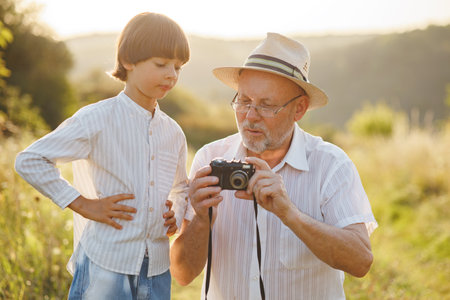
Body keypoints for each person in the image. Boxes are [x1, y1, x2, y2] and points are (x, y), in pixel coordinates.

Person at [170, 32, 378, 299]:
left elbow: (361, 261)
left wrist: (289, 214)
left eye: (267, 106)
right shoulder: (210, 158)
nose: (250, 116)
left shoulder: (331, 165)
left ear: (299, 109)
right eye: (243, 101)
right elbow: (182, 274)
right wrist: (200, 220)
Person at [15, 12, 190, 300]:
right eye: (161, 64)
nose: (171, 74)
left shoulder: (173, 132)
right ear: (128, 61)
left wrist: (178, 212)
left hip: (157, 269)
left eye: (178, 67)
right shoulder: (97, 118)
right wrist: (84, 205)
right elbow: (30, 160)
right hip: (105, 264)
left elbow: (181, 186)